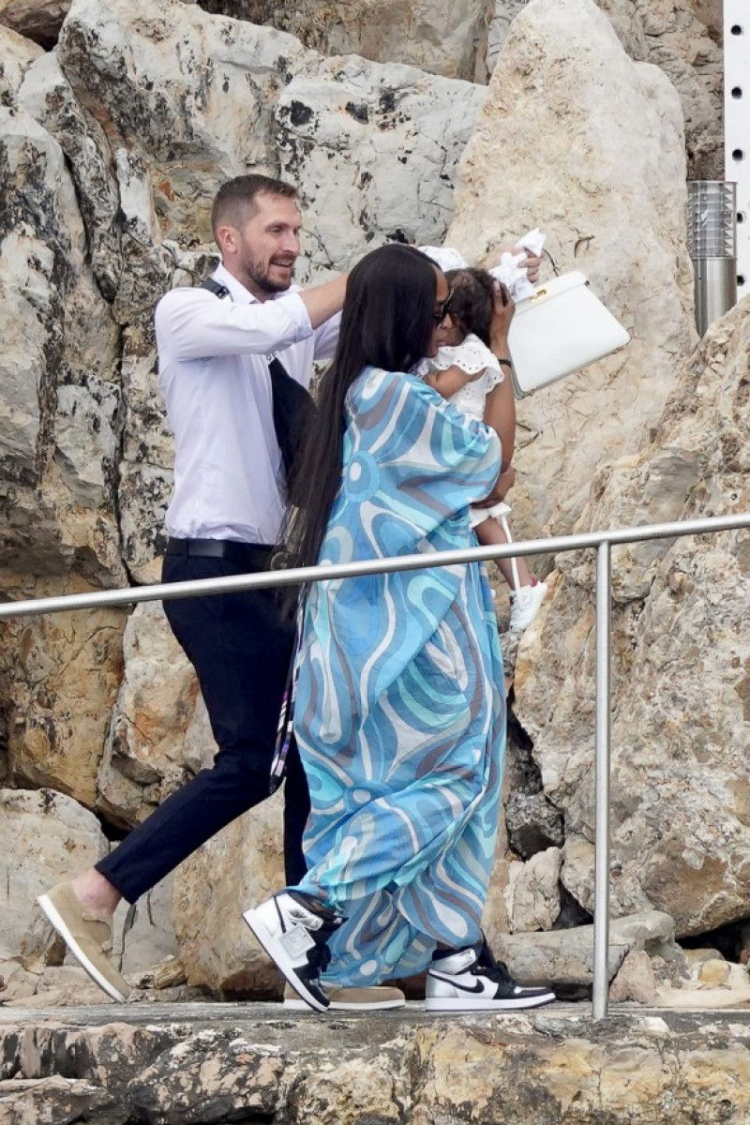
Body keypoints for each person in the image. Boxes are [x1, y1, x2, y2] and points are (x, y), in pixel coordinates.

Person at [35, 173, 406, 1011]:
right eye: (276, 231)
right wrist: (366, 271)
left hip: (267, 569)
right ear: (229, 238)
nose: (291, 246)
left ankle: (309, 959)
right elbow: (286, 321)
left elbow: (368, 319)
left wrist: (462, 277)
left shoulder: (281, 328)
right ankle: (96, 892)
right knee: (254, 760)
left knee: (304, 751)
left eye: (297, 232)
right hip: (213, 566)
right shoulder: (189, 313)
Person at [243, 243, 556, 1014]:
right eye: (440, 305)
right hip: (417, 634)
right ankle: (308, 907)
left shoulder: (356, 393)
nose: (446, 320)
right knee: (457, 777)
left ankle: (448, 959)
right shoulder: (400, 400)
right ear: (409, 312)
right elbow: (494, 466)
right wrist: (501, 348)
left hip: (356, 635)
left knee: (375, 792)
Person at [425, 266, 548, 632]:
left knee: (486, 518)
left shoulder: (473, 353)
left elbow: (440, 389)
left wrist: (424, 379)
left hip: (470, 446)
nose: (441, 324)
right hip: (459, 450)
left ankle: (524, 587)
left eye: (445, 314)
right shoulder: (449, 349)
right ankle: (514, 587)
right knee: (483, 519)